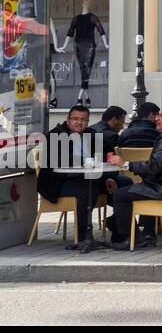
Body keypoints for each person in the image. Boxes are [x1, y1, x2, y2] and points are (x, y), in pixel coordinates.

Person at [105, 105, 162, 250]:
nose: (157, 119)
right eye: (158, 115)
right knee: (140, 187)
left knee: (120, 195)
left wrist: (126, 164)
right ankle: (148, 234)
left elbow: (154, 167)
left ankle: (133, 239)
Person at [36, 105, 104, 252]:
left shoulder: (92, 135)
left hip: (87, 178)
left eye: (83, 119)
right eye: (75, 119)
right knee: (87, 191)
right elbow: (59, 161)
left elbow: (102, 157)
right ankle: (83, 238)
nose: (79, 122)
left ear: (88, 121)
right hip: (57, 182)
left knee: (122, 183)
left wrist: (110, 177)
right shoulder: (55, 135)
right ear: (68, 120)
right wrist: (86, 162)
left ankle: (125, 235)